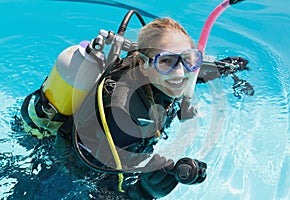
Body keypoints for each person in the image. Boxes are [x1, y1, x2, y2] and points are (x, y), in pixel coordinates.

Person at [20, 9, 252, 199]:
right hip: (64, 172)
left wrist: (226, 68)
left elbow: (188, 71)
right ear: (143, 64)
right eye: (167, 62)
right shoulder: (126, 116)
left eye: (188, 59)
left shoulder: (159, 72)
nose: (181, 73)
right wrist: (141, 192)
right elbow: (97, 187)